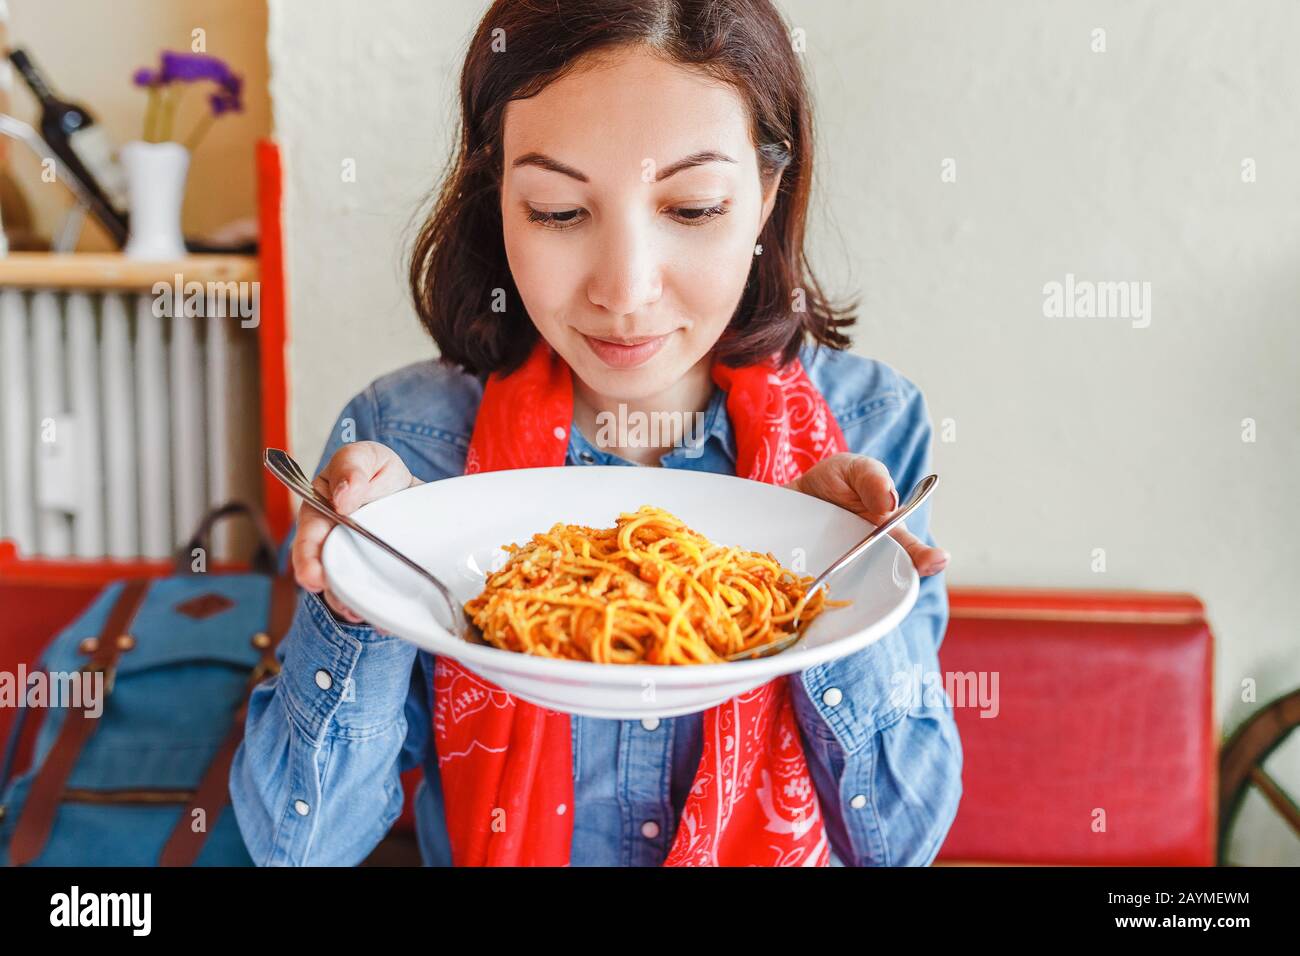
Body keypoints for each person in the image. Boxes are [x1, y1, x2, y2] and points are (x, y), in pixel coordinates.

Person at [229, 0, 961, 866]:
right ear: (498, 193)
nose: (624, 289)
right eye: (557, 211)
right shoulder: (407, 441)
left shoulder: (870, 426)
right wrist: (362, 589)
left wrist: (831, 571)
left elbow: (901, 842)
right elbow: (295, 848)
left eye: (691, 210)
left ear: (765, 196)